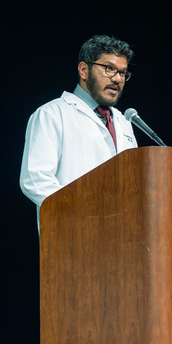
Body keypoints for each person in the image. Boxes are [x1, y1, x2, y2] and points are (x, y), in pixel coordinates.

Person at [19, 35, 137, 226]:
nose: (117, 79)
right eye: (109, 69)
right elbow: (35, 179)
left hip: (122, 237)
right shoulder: (52, 114)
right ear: (83, 70)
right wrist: (83, 213)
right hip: (73, 234)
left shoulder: (124, 122)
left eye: (123, 73)